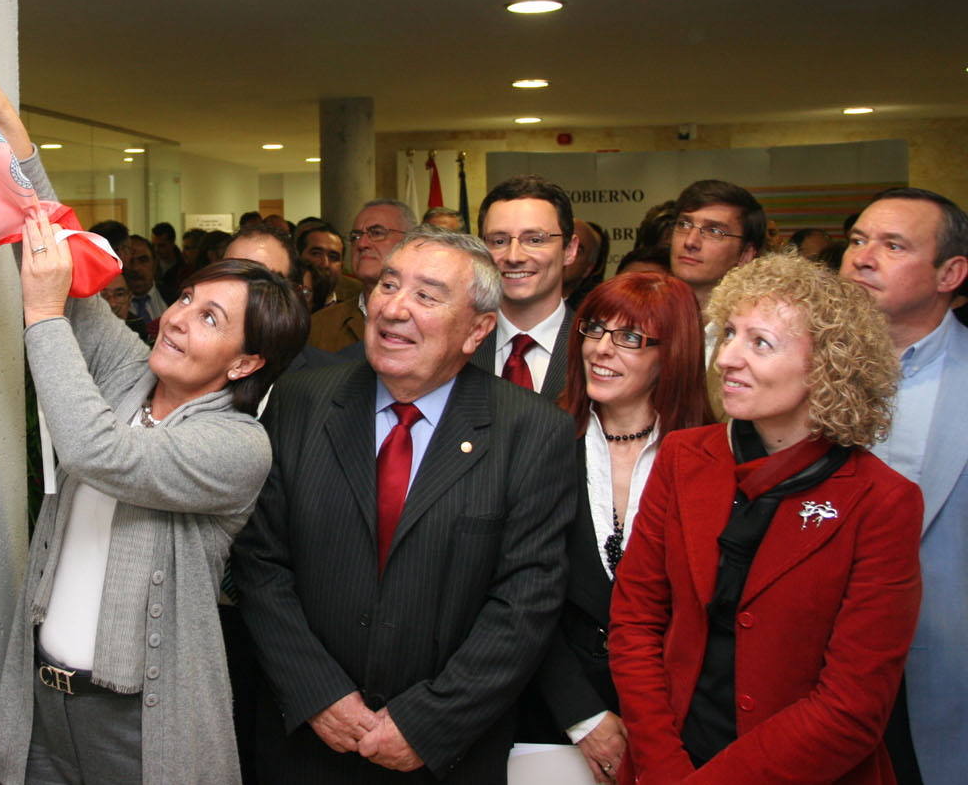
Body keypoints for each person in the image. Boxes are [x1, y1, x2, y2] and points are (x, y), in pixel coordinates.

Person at [0, 52, 311, 785]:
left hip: (141, 726)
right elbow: (66, 257)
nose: (176, 320)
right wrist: (8, 123)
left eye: (209, 318)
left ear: (244, 363)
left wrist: (41, 315)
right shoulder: (130, 374)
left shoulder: (236, 447)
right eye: (186, 300)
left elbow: (97, 452)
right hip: (45, 705)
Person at [234, 225, 577, 783]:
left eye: (426, 296)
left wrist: (428, 722)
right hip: (306, 742)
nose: (394, 308)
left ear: (478, 330)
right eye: (389, 286)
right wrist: (319, 694)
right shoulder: (300, 403)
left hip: (448, 753)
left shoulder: (532, 433)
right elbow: (260, 562)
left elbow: (525, 602)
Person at [610, 252, 921, 784]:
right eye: (729, 333)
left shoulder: (881, 501)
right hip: (668, 764)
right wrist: (663, 768)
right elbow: (635, 626)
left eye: (760, 343)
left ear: (828, 368)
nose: (728, 357)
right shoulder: (685, 459)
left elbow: (852, 706)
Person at [518, 273, 710, 784]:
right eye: (594, 330)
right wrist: (583, 715)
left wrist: (655, 727)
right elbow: (515, 593)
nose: (601, 350)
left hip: (681, 725)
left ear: (674, 354)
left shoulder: (711, 457)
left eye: (629, 338)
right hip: (554, 720)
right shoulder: (538, 439)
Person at [840, 187, 968, 785]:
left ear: (951, 273)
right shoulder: (785, 373)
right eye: (858, 240)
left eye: (893, 245)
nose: (863, 257)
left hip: (944, 681)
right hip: (816, 682)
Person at [473, 175, 580, 399]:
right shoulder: (457, 345)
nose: (514, 256)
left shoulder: (593, 348)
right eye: (499, 241)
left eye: (535, 240)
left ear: (569, 250)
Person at [306, 199, 417, 353]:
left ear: (410, 241)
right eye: (355, 236)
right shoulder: (320, 325)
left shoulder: (430, 318)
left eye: (377, 233)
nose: (362, 244)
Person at [668, 179, 765, 313]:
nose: (690, 242)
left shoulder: (756, 325)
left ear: (746, 254)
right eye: (684, 224)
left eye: (714, 231)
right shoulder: (645, 315)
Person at [124, 235, 166, 325]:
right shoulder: (110, 304)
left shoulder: (174, 297)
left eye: (143, 260)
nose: (136, 268)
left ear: (154, 264)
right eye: (129, 261)